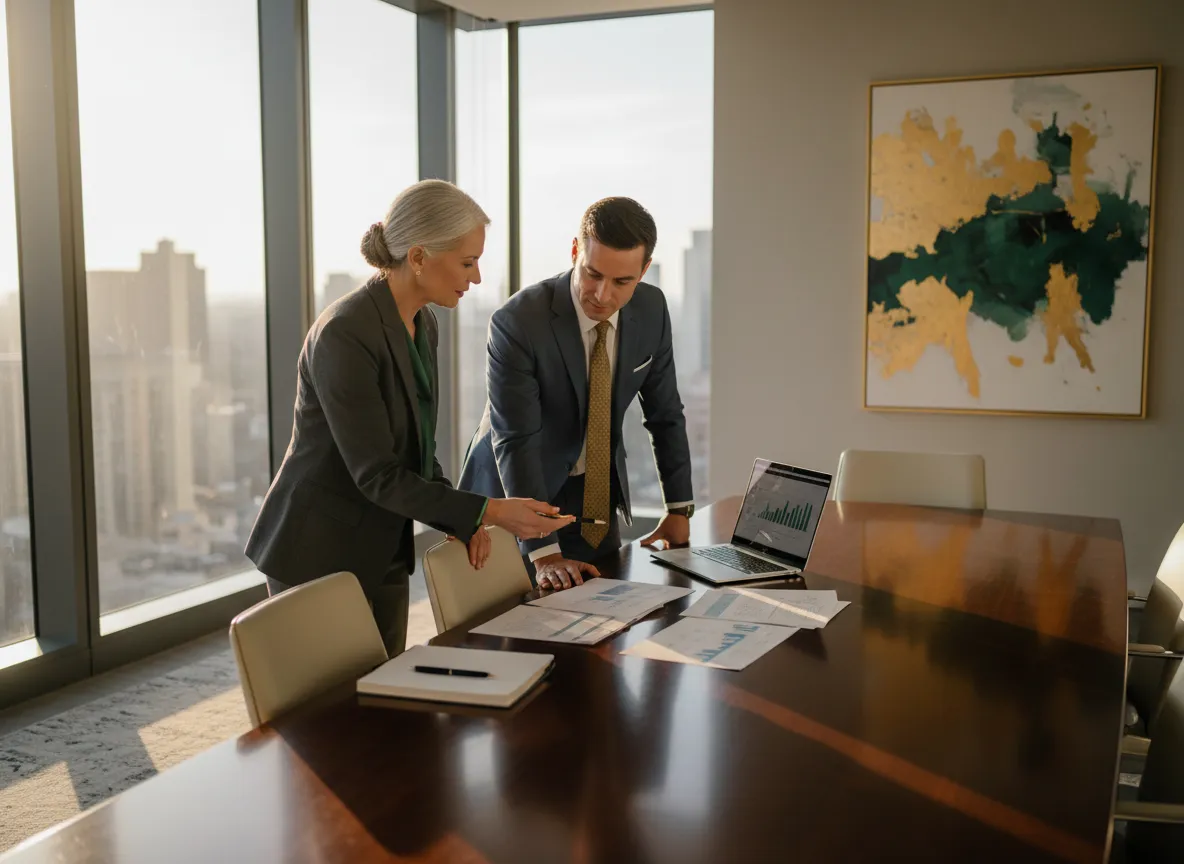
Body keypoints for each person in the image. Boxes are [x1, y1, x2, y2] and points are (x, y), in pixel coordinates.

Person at [245, 180, 573, 655]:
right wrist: (491, 509)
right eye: (467, 262)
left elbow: (416, 450)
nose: (477, 277)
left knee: (383, 696)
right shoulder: (345, 333)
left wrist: (464, 518)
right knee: (330, 719)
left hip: (381, 545)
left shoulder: (424, 323)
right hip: (317, 549)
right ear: (418, 257)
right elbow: (377, 473)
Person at [459, 197, 694, 592]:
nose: (602, 295)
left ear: (644, 271)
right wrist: (542, 550)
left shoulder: (652, 309)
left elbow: (665, 413)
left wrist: (678, 508)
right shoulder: (518, 322)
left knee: (605, 616)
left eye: (622, 282)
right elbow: (516, 440)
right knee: (513, 631)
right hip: (513, 495)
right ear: (574, 251)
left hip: (594, 490)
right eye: (592, 273)